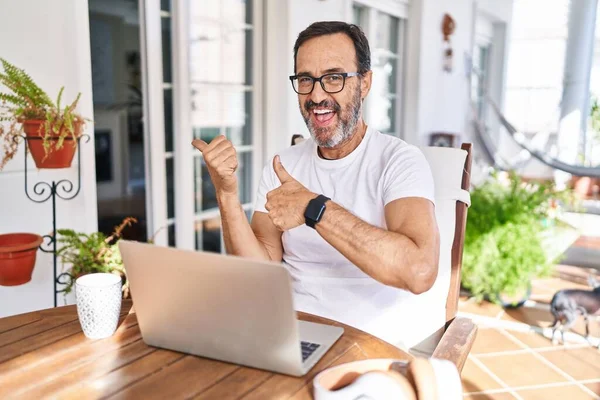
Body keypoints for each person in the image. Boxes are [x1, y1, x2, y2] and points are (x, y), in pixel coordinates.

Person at [192, 21, 440, 350]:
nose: (317, 95)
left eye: (334, 78)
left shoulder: (399, 162)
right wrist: (225, 193)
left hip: (368, 344)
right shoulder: (283, 165)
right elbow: (259, 270)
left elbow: (419, 272)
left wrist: (314, 208)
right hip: (288, 334)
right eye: (306, 79)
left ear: (364, 83)